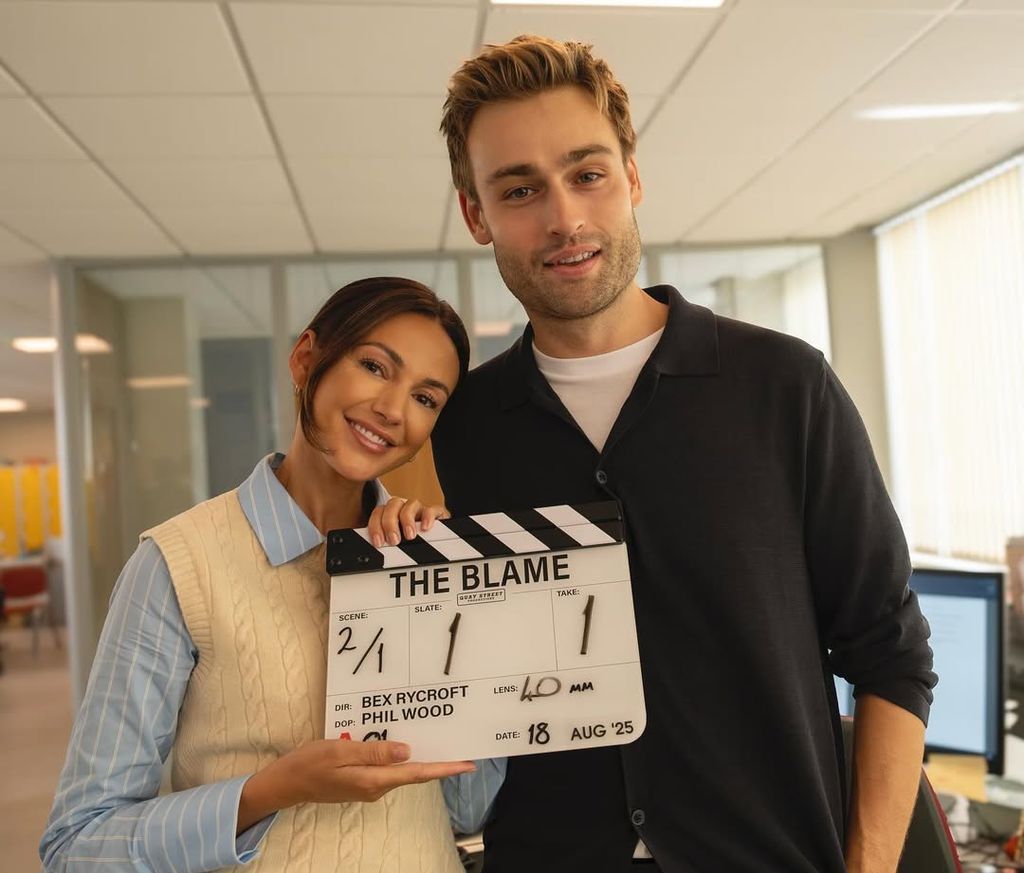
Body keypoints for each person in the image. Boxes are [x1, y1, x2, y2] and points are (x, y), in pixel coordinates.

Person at [432, 35, 937, 873]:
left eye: (586, 173)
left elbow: (890, 652)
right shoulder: (463, 426)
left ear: (632, 177)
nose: (563, 217)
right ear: (476, 214)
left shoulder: (784, 386)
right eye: (519, 189)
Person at [41, 277, 476, 872]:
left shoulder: (431, 558)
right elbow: (76, 846)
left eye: (427, 399)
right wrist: (272, 789)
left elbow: (467, 809)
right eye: (375, 367)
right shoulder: (177, 565)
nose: (393, 410)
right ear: (305, 360)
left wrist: (460, 607)